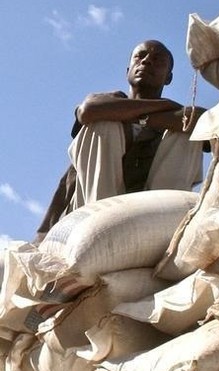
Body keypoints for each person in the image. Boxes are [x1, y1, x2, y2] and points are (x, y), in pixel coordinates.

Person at [34, 39, 208, 242]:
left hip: (148, 214)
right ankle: (101, 226)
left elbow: (205, 121)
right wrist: (44, 231)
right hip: (93, 213)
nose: (146, 62)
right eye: (140, 56)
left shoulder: (177, 114)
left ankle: (162, 225)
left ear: (168, 78)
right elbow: (73, 172)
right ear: (128, 70)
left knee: (185, 130)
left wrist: (144, 114)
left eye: (157, 59)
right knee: (103, 123)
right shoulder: (105, 103)